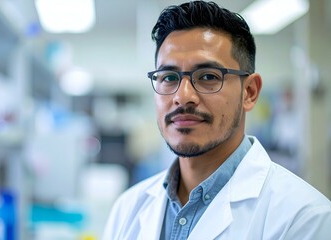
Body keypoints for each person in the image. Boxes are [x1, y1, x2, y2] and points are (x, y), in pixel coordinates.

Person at [102, 1, 331, 239]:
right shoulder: (128, 208)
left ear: (249, 92)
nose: (182, 97)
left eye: (208, 76)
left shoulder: (305, 220)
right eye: (169, 77)